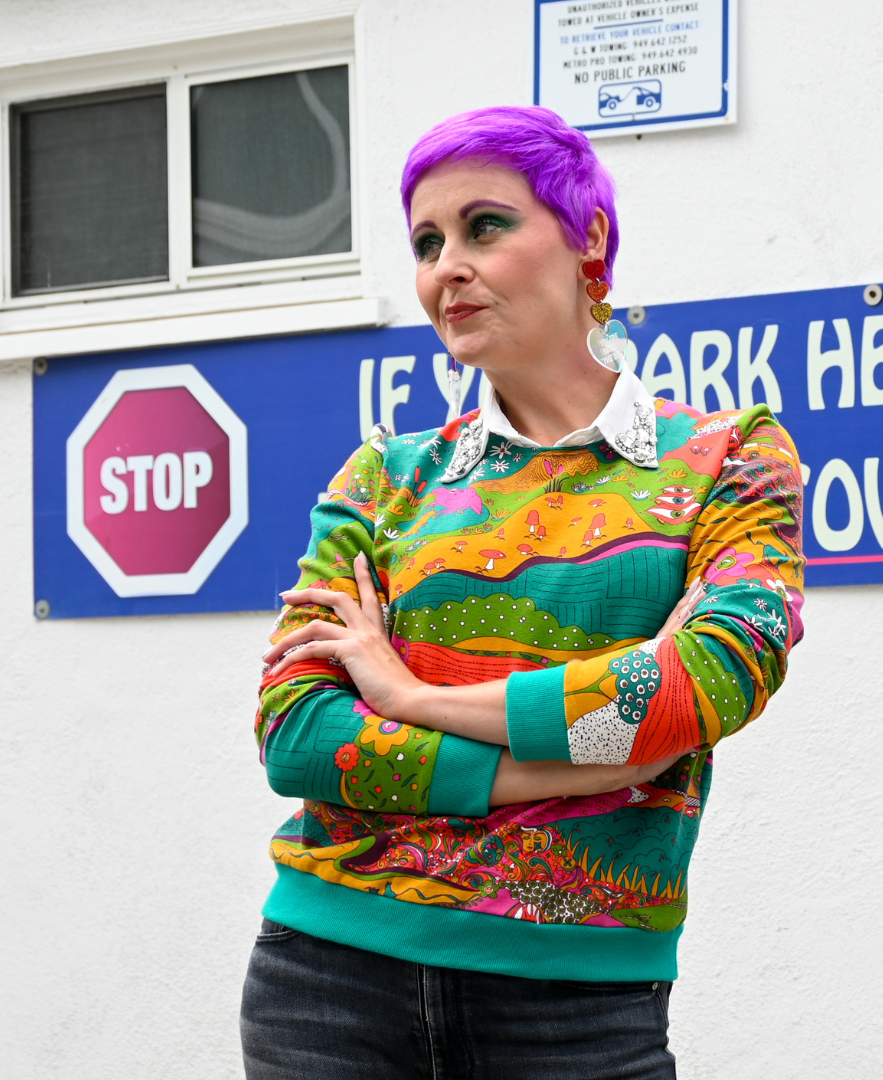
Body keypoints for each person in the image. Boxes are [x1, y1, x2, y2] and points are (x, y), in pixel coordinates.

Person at [240, 105, 805, 1080]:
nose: (445, 267)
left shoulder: (730, 460)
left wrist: (409, 698)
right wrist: (580, 764)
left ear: (586, 237)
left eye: (483, 227)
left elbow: (707, 683)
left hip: (577, 1004)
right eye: (426, 242)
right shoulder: (382, 478)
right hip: (328, 988)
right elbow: (296, 734)